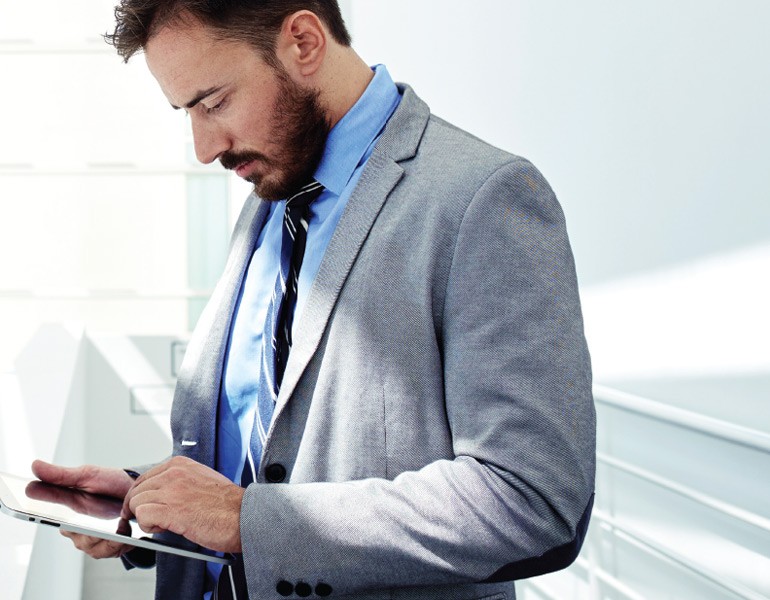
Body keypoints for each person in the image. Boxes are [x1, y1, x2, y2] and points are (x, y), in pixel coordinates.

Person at [33, 1, 596, 599]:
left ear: (303, 42)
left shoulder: (484, 199)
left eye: (214, 102)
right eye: (187, 112)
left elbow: (531, 500)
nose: (202, 147)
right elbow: (277, 450)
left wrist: (246, 520)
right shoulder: (272, 191)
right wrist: (156, 497)